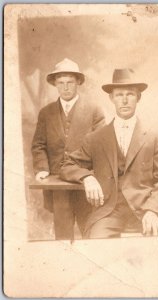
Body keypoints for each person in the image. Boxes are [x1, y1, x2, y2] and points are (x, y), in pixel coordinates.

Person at [60, 68, 158, 239]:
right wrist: (87, 177)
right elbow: (67, 165)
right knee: (96, 245)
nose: (124, 100)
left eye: (130, 94)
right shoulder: (95, 138)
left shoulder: (155, 137)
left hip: (146, 207)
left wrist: (153, 210)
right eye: (119, 95)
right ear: (111, 98)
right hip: (109, 211)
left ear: (138, 98)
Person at [31, 58, 105, 240]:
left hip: (85, 183)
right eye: (61, 83)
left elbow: (102, 147)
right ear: (55, 84)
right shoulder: (46, 113)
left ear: (78, 82)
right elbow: (38, 144)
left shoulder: (94, 110)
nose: (65, 87)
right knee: (62, 237)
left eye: (70, 82)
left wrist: (91, 176)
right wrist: (42, 168)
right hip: (57, 184)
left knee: (90, 234)